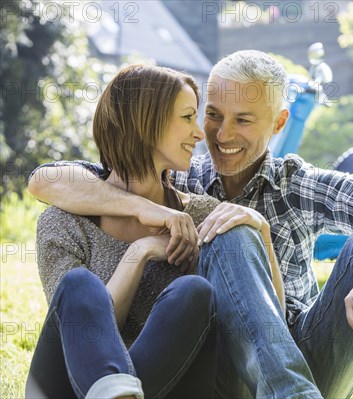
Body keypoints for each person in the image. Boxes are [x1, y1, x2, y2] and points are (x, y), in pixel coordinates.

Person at [29, 51, 353, 399]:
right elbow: (47, 179)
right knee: (227, 230)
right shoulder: (180, 172)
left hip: (312, 356)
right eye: (210, 115)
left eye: (243, 120)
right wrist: (145, 211)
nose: (218, 134)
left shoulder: (293, 183)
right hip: (228, 367)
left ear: (278, 124)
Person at [25, 64, 298, 399]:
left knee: (194, 291)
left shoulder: (201, 215)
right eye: (187, 117)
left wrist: (261, 228)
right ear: (145, 124)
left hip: (168, 387)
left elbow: (270, 327)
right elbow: (84, 338)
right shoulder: (64, 222)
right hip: (70, 386)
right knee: (79, 285)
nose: (200, 134)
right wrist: (140, 253)